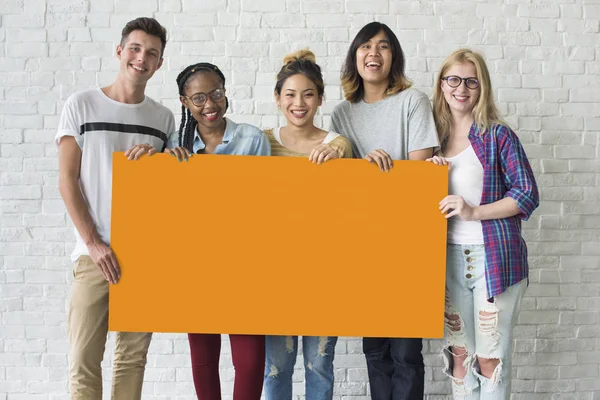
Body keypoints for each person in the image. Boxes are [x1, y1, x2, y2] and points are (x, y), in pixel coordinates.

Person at [56, 17, 174, 399]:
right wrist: (93, 243)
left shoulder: (163, 119)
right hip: (94, 256)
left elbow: (168, 186)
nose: (142, 58)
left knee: (131, 360)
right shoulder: (81, 105)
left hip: (146, 257)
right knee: (83, 360)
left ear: (158, 64)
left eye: (152, 53)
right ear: (120, 51)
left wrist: (163, 157)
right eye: (136, 49)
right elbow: (67, 179)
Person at [330, 22, 439, 400]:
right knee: (374, 350)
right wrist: (362, 168)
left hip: (408, 242)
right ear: (354, 56)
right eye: (365, 46)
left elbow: (420, 178)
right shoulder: (341, 114)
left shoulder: (414, 101)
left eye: (383, 47)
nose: (373, 53)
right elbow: (342, 186)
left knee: (406, 353)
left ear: (394, 58)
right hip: (363, 246)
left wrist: (384, 165)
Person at [427, 48, 539, 399]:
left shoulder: (497, 135)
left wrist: (473, 211)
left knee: (490, 361)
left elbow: (526, 195)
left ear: (482, 87)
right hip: (448, 261)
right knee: (460, 358)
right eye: (454, 80)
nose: (462, 88)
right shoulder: (431, 139)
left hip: (494, 261)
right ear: (442, 85)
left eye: (471, 81)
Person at [167, 62, 270, 400]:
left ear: (225, 94)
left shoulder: (251, 138)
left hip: (246, 265)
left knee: (251, 362)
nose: (209, 104)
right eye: (199, 98)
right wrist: (154, 161)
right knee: (204, 360)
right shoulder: (175, 144)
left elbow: (265, 204)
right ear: (184, 102)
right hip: (195, 266)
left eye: (216, 94)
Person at [262, 49, 352, 400]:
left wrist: (339, 154)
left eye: (308, 94)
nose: (299, 103)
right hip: (276, 274)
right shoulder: (261, 141)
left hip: (324, 274)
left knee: (320, 367)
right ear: (277, 98)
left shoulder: (337, 143)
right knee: (276, 370)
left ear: (320, 100)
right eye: (290, 94)